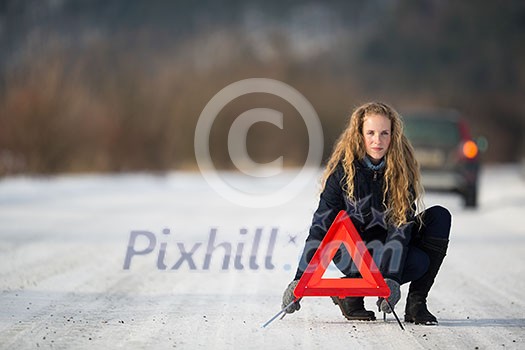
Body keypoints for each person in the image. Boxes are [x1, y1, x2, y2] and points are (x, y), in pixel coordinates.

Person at [281, 102, 451, 325]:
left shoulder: (402, 172)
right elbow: (320, 226)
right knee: (400, 261)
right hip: (350, 250)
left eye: (384, 133)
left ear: (393, 136)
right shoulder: (342, 172)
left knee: (438, 220)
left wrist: (391, 278)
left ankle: (416, 305)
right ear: (359, 135)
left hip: (386, 249)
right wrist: (299, 280)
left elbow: (401, 228)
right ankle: (350, 293)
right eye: (370, 133)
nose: (377, 141)